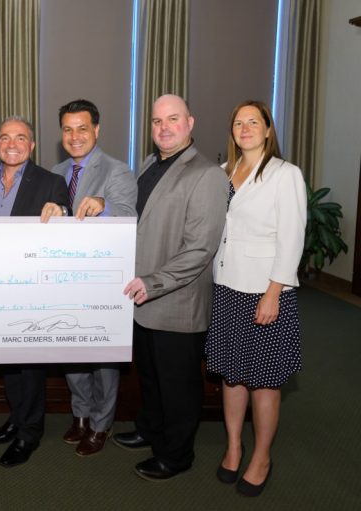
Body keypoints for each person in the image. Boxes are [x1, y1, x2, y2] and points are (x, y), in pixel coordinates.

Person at [116, 94, 227, 481]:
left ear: (190, 123)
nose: (164, 127)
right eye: (157, 120)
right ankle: (150, 430)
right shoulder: (151, 164)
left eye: (173, 119)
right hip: (143, 300)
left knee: (177, 385)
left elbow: (200, 249)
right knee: (149, 376)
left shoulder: (208, 175)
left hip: (176, 302)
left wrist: (154, 282)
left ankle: (176, 454)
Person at [205, 100, 306, 497]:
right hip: (226, 285)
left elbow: (292, 238)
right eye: (238, 123)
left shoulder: (285, 175)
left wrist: (274, 292)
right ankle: (233, 446)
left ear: (268, 130)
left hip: (265, 292)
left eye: (253, 122)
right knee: (232, 374)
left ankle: (261, 456)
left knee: (265, 380)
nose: (244, 128)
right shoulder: (222, 173)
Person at [46, 99, 137, 457]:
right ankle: (80, 415)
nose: (75, 136)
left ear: (96, 130)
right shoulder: (56, 171)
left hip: (103, 280)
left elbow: (129, 216)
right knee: (71, 352)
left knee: (102, 359)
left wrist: (105, 206)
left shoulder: (118, 171)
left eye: (82, 128)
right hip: (65, 279)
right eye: (67, 129)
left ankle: (101, 423)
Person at [0, 116, 69, 467]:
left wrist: (61, 211)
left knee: (30, 365)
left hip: (33, 290)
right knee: (8, 362)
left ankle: (29, 433)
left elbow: (67, 215)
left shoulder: (51, 182)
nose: (11, 143)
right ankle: (15, 419)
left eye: (20, 138)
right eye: (4, 137)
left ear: (32, 145)